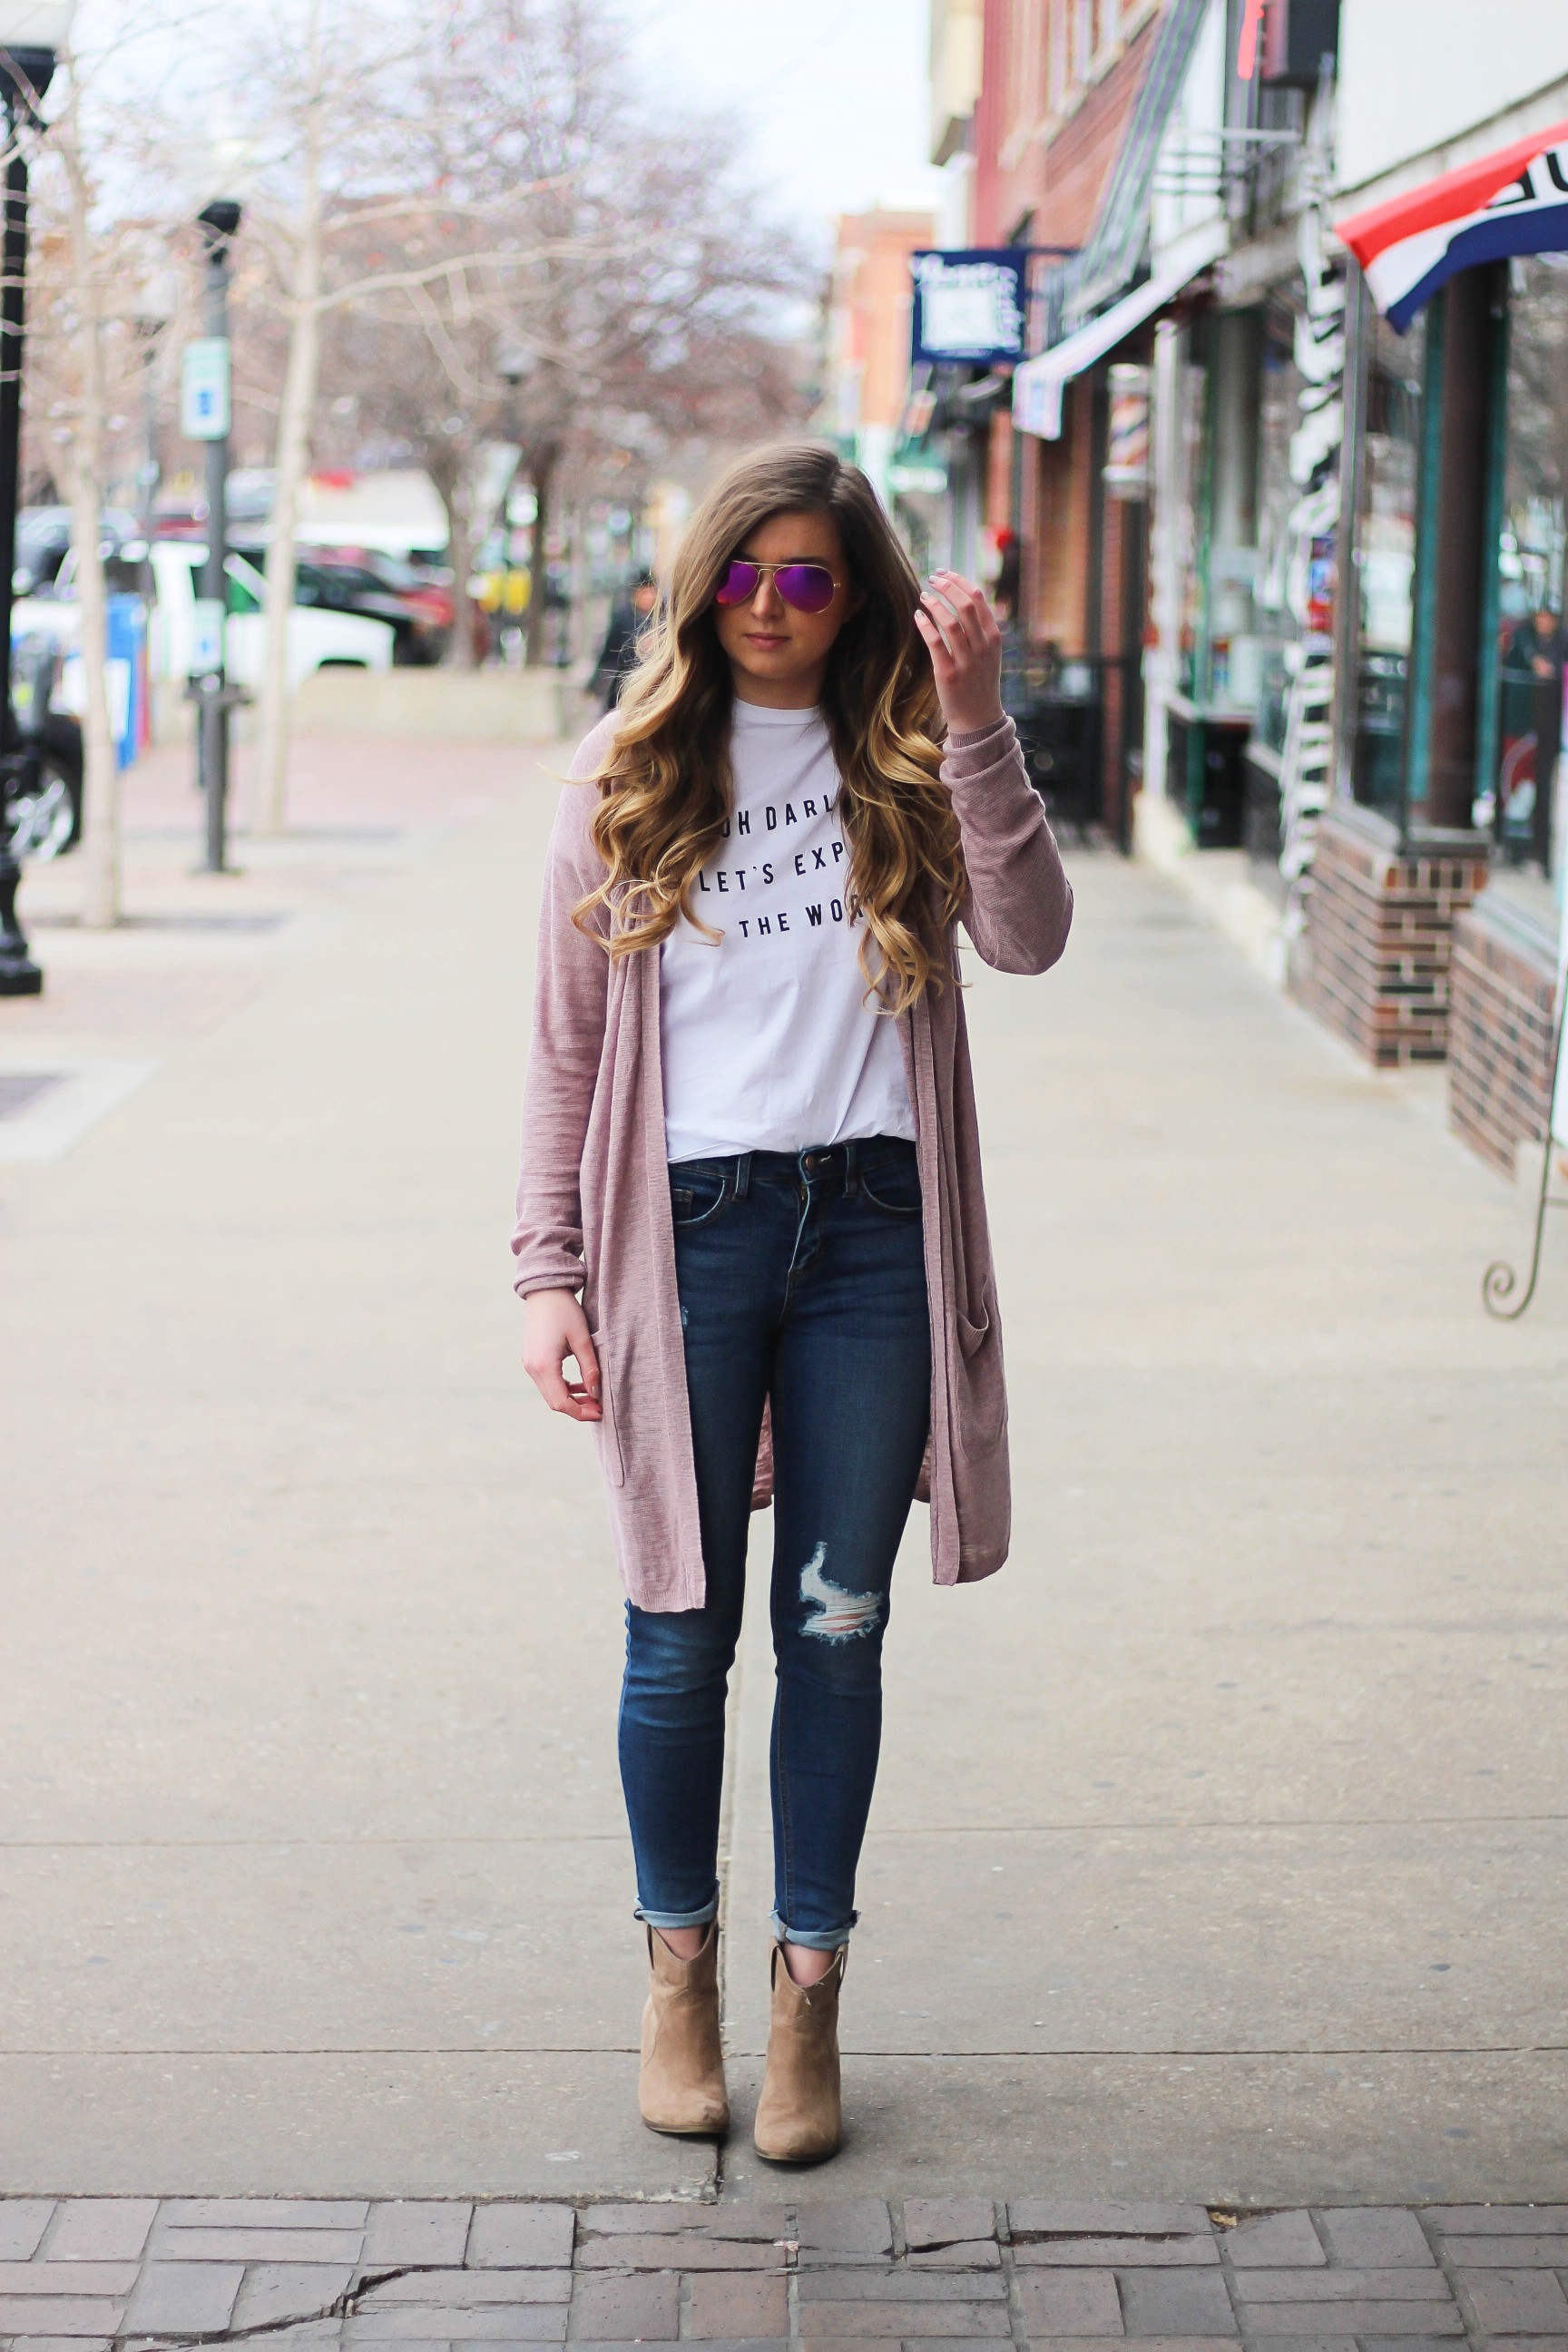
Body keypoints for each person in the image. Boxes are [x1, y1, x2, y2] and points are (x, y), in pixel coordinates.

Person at [512, 442, 1072, 2164]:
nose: (771, 604)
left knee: (836, 1620)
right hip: (684, 1233)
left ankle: (805, 1990)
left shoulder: (905, 753)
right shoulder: (625, 772)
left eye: (811, 575)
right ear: (702, 584)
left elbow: (1031, 936)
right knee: (677, 1628)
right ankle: (676, 1966)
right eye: (745, 572)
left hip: (870, 1233)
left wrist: (974, 715)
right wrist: (546, 1271)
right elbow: (565, 1051)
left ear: (862, 592)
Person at [589, 571, 659, 710]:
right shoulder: (623, 618)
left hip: (653, 686)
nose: (648, 597)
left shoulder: (662, 619)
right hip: (625, 684)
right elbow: (608, 653)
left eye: (651, 592)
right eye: (644, 593)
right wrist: (593, 683)